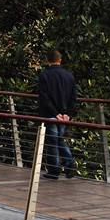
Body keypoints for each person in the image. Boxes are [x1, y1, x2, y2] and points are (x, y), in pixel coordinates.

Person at [36, 49, 78, 180]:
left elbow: (44, 97)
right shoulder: (69, 76)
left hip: (50, 114)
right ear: (60, 60)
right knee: (59, 139)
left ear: (48, 60)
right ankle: (69, 163)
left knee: (53, 141)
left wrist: (55, 113)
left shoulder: (44, 75)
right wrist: (67, 114)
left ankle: (54, 170)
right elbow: (73, 97)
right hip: (64, 115)